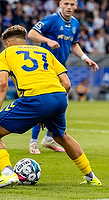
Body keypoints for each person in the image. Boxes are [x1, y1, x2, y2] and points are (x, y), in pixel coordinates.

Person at [0, 25, 101, 189]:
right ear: (24, 41)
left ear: (8, 43)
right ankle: (91, 177)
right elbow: (66, 83)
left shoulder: (6, 54)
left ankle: (8, 173)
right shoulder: (44, 52)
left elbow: (2, 85)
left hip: (34, 98)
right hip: (59, 97)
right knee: (61, 136)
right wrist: (48, 110)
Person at [27, 0, 99, 154]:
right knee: (44, 104)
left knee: (61, 104)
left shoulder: (75, 23)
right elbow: (31, 33)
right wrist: (47, 40)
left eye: (72, 4)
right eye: (66, 3)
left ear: (76, 6)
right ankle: (33, 141)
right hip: (45, 67)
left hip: (61, 68)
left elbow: (74, 44)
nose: (69, 7)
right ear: (60, 4)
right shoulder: (52, 19)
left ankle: (48, 139)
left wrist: (85, 58)